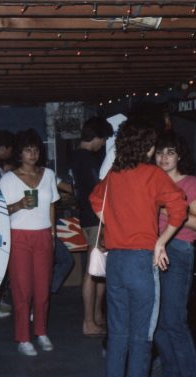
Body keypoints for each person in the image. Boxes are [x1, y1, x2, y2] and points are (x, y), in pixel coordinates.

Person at [89, 120, 188, 377]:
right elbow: (179, 207)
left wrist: (115, 223)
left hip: (116, 263)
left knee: (117, 334)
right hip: (142, 262)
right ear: (148, 147)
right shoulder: (153, 174)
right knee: (141, 337)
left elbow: (95, 200)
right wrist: (160, 242)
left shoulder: (114, 176)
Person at [149, 132, 196, 377]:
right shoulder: (151, 182)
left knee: (174, 318)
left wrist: (166, 213)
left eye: (170, 152)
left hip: (178, 250)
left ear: (179, 155)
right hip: (149, 251)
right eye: (160, 152)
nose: (164, 158)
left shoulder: (191, 183)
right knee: (156, 319)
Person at [0, 129, 60, 356]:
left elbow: (53, 204)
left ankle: (41, 332)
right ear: (19, 153)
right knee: (22, 290)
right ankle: (23, 337)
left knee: (43, 288)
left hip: (43, 234)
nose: (32, 154)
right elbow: (0, 211)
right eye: (27, 150)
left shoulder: (49, 175)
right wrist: (19, 205)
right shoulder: (8, 179)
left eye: (35, 149)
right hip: (19, 236)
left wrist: (53, 235)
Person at [71, 116, 113, 336]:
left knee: (97, 267)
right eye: (103, 139)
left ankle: (95, 317)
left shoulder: (77, 156)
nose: (103, 144)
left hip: (89, 217)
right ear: (96, 137)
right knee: (93, 268)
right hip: (95, 217)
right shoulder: (86, 158)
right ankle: (89, 321)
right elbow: (98, 189)